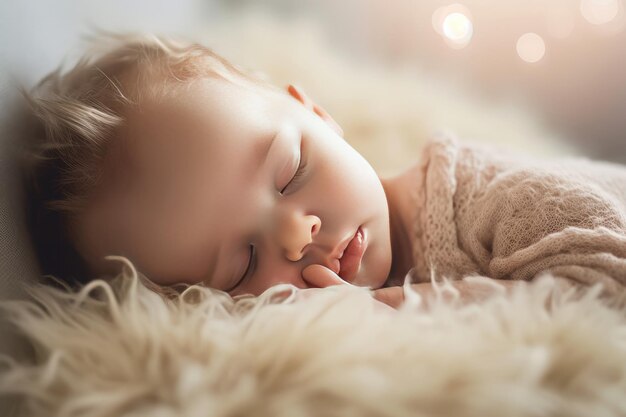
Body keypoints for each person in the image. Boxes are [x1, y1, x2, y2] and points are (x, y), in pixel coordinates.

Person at [21, 34, 626, 310]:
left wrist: (402, 315)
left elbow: (604, 290)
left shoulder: (492, 196)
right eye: (243, 265)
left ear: (318, 113)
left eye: (289, 173)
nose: (296, 234)